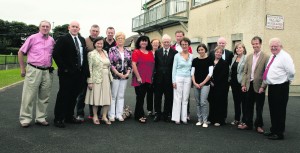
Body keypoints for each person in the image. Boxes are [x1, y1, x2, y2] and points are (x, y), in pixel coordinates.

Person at [18, 20, 55, 128]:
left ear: (50, 28)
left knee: (44, 96)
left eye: (47, 26)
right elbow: (20, 52)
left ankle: (41, 118)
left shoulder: (51, 40)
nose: (45, 28)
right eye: (43, 26)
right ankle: (25, 119)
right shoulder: (32, 38)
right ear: (39, 27)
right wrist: (22, 68)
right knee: (28, 96)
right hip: (34, 69)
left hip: (47, 71)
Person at [53, 21, 89, 128]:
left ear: (79, 28)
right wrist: (64, 69)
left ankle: (69, 116)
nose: (75, 28)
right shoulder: (63, 39)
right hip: (67, 74)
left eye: (77, 27)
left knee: (73, 96)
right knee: (63, 96)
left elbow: (83, 56)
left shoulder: (82, 40)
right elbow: (56, 54)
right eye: (73, 26)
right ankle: (59, 118)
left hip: (79, 74)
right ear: (69, 27)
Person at [263, 38, 295, 140]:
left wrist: (288, 81)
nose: (273, 48)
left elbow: (291, 72)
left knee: (279, 111)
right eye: (271, 46)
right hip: (272, 87)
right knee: (273, 110)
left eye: (275, 46)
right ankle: (274, 130)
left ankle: (279, 133)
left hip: (281, 87)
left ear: (280, 46)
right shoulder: (273, 55)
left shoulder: (285, 56)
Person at [238, 36, 269, 133]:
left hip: (259, 86)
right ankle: (248, 124)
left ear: (260, 44)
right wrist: (243, 84)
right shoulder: (249, 57)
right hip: (249, 85)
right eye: (253, 44)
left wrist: (263, 86)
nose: (255, 45)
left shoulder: (266, 57)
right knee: (248, 106)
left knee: (259, 107)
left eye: (257, 44)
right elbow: (245, 72)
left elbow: (266, 73)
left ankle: (259, 125)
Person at [84, 37, 113, 125]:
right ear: (95, 44)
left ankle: (104, 116)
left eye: (101, 43)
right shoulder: (91, 54)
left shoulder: (105, 52)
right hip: (96, 79)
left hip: (106, 78)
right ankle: (95, 116)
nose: (100, 45)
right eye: (98, 43)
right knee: (96, 98)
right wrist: (90, 81)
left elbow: (108, 66)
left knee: (106, 98)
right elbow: (90, 68)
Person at [76, 24, 100, 122]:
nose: (95, 32)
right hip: (84, 71)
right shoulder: (84, 41)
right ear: (90, 31)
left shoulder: (100, 41)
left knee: (94, 93)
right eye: (93, 30)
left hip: (96, 72)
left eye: (96, 31)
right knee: (82, 93)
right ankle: (80, 114)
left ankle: (92, 113)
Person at [208, 37, 233, 123]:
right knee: (212, 101)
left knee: (220, 102)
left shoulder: (225, 62)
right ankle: (211, 118)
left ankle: (220, 119)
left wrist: (215, 82)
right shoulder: (211, 59)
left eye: (220, 52)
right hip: (212, 85)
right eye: (217, 52)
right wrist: (210, 81)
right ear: (214, 52)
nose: (218, 53)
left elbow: (224, 74)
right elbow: (209, 71)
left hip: (221, 85)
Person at [108, 32, 132, 122]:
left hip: (125, 76)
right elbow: (111, 64)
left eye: (122, 38)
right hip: (115, 76)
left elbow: (130, 64)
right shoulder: (112, 49)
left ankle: (119, 114)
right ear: (116, 40)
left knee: (121, 96)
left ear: (124, 40)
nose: (120, 40)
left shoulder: (128, 50)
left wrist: (127, 73)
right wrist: (118, 73)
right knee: (113, 95)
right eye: (118, 38)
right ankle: (111, 114)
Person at [153, 35, 177, 122]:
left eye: (168, 42)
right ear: (162, 43)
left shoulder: (175, 53)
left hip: (169, 79)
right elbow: (155, 65)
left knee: (168, 98)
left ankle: (166, 114)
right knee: (157, 98)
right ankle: (157, 114)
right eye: (164, 42)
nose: (166, 43)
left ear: (170, 42)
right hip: (158, 79)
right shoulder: (157, 52)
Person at [131, 35, 154, 123]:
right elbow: (134, 64)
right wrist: (138, 77)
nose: (144, 42)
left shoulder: (150, 52)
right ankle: (139, 115)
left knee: (142, 97)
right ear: (139, 42)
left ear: (148, 43)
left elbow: (152, 65)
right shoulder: (136, 52)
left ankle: (138, 114)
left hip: (148, 78)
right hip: (139, 78)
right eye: (142, 41)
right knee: (140, 97)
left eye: (146, 41)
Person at [171, 30, 193, 120]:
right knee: (177, 98)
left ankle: (184, 118)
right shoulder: (177, 55)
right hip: (178, 78)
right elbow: (174, 69)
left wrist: (192, 80)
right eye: (182, 44)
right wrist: (173, 81)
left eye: (186, 44)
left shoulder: (192, 56)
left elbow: (192, 69)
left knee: (185, 99)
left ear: (188, 45)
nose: (184, 46)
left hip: (188, 78)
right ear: (180, 45)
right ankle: (176, 118)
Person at [191, 44, 213, 128]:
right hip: (196, 84)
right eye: (199, 50)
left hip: (205, 84)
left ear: (205, 50)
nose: (201, 51)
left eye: (202, 49)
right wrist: (195, 83)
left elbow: (210, 73)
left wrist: (203, 83)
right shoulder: (195, 60)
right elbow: (192, 73)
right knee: (197, 103)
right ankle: (199, 120)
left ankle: (205, 121)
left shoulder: (209, 60)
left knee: (203, 102)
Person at [229, 42, 247, 125]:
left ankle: (244, 120)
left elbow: (246, 72)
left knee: (244, 102)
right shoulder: (234, 58)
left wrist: (244, 83)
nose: (238, 49)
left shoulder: (246, 58)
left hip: (241, 83)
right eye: (237, 48)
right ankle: (237, 119)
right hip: (234, 83)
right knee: (236, 101)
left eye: (240, 47)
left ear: (243, 49)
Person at [146, 38, 161, 117]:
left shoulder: (161, 52)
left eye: (157, 43)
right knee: (149, 93)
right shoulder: (148, 52)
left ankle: (156, 110)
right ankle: (149, 109)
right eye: (154, 43)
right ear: (151, 44)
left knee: (157, 94)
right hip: (149, 75)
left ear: (159, 44)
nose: (155, 45)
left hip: (158, 76)